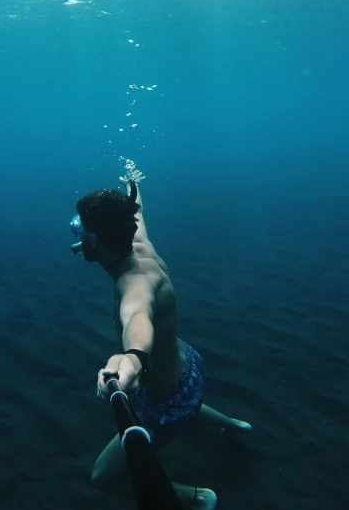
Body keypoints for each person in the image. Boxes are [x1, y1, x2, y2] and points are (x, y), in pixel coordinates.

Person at [69, 165, 252, 510]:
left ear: (92, 241)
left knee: (102, 477)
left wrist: (133, 359)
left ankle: (197, 498)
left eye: (79, 228)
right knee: (183, 396)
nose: (76, 233)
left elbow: (137, 319)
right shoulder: (138, 241)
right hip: (189, 368)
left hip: (168, 400)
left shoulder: (133, 285)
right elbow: (136, 209)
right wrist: (131, 184)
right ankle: (231, 424)